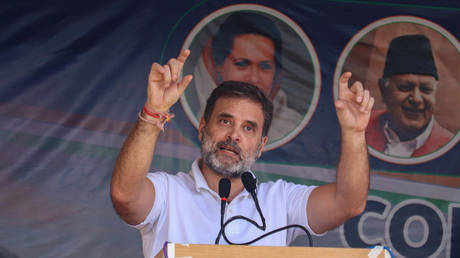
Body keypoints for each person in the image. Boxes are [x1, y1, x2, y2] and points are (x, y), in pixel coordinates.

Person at [110, 49, 374, 258]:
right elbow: (125, 196)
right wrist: (153, 113)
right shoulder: (169, 192)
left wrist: (353, 132)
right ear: (203, 128)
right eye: (225, 121)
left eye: (248, 128)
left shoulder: (280, 201)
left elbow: (348, 203)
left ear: (260, 146)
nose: (234, 135)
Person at [192, 11, 303, 142]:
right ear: (218, 67)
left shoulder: (290, 125)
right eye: (242, 64)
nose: (254, 78)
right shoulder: (191, 106)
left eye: (265, 67)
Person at [366, 34, 453, 157]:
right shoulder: (360, 126)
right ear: (383, 90)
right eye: (405, 87)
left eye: (426, 89)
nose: (416, 99)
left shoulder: (450, 148)